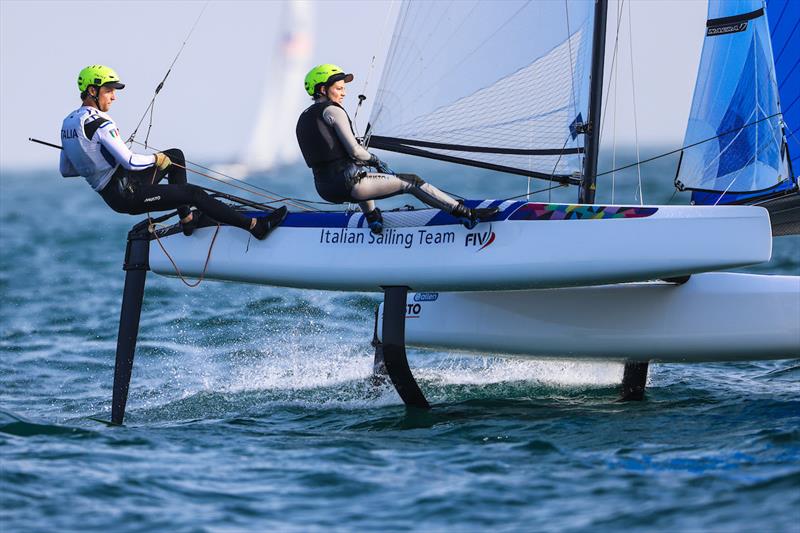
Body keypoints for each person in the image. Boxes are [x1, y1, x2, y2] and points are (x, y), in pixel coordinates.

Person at [60, 65, 286, 239]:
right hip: (128, 194)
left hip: (116, 192)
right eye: (109, 91)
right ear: (92, 90)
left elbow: (66, 170)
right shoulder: (100, 122)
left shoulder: (68, 123)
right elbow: (130, 161)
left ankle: (187, 220)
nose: (113, 96)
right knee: (193, 193)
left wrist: (95, 165)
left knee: (175, 156)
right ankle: (256, 227)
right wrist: (156, 159)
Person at [295, 64, 497, 234]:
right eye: (339, 88)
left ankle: (373, 220)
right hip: (350, 185)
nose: (344, 93)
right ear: (323, 90)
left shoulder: (304, 118)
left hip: (325, 189)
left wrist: (367, 162)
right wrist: (375, 159)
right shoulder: (332, 111)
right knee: (412, 182)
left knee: (361, 174)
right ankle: (466, 215)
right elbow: (356, 152)